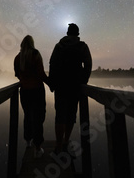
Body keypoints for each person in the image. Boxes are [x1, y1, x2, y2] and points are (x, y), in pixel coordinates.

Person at [49, 23, 92, 153]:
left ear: (67, 33)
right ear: (78, 34)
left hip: (61, 85)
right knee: (71, 115)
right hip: (75, 85)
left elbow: (52, 64)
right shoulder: (82, 46)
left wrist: (52, 82)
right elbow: (88, 65)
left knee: (60, 115)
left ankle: (58, 145)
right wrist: (83, 81)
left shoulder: (59, 46)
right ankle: (66, 141)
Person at [14, 35, 49, 158]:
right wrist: (50, 84)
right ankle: (38, 147)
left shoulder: (18, 58)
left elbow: (17, 74)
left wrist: (25, 80)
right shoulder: (35, 54)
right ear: (32, 43)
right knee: (39, 117)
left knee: (28, 115)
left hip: (24, 91)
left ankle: (28, 141)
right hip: (37, 91)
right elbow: (41, 74)